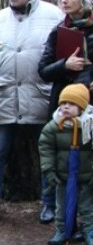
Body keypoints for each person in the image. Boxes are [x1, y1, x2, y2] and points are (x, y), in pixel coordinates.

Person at [0, 0, 61, 224]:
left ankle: (49, 204)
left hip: (40, 97)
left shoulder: (54, 15)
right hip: (5, 97)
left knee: (47, 153)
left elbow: (61, 57)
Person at [38, 0, 93, 224]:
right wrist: (65, 65)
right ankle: (50, 205)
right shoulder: (58, 31)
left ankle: (87, 216)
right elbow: (43, 70)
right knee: (57, 150)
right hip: (65, 104)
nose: (64, 1)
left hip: (90, 105)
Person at [38, 83, 93, 245]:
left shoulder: (89, 125)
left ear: (82, 107)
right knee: (61, 204)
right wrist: (49, 169)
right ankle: (62, 230)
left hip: (86, 174)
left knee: (87, 205)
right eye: (63, 104)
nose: (65, 107)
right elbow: (45, 147)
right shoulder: (54, 126)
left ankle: (89, 231)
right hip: (63, 175)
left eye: (71, 104)